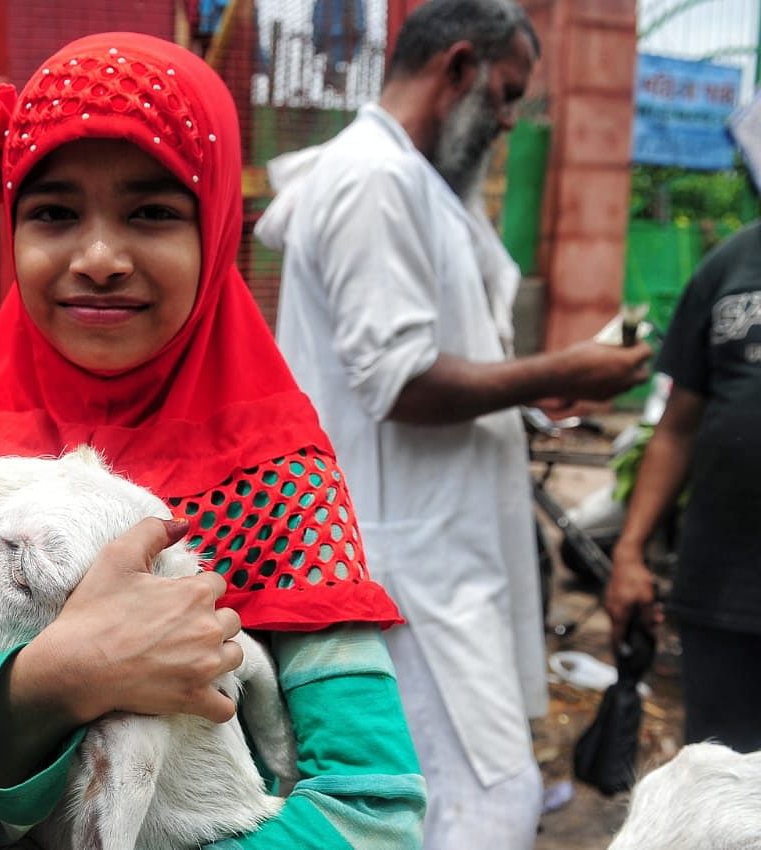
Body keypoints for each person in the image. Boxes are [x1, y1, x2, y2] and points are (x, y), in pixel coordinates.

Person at [0, 32, 427, 849]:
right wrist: (52, 683)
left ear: (216, 231)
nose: (101, 257)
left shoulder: (281, 489)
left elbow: (374, 811)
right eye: (53, 212)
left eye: (152, 212)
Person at [253, 1, 651, 847]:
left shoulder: (408, 180)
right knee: (477, 807)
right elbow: (398, 380)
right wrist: (564, 369)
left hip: (436, 557)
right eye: (506, 96)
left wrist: (535, 395)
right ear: (458, 68)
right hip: (409, 573)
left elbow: (433, 359)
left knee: (460, 802)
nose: (508, 122)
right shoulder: (374, 180)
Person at [605, 220, 761, 754]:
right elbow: (675, 428)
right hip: (723, 591)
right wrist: (629, 551)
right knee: (722, 783)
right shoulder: (730, 265)